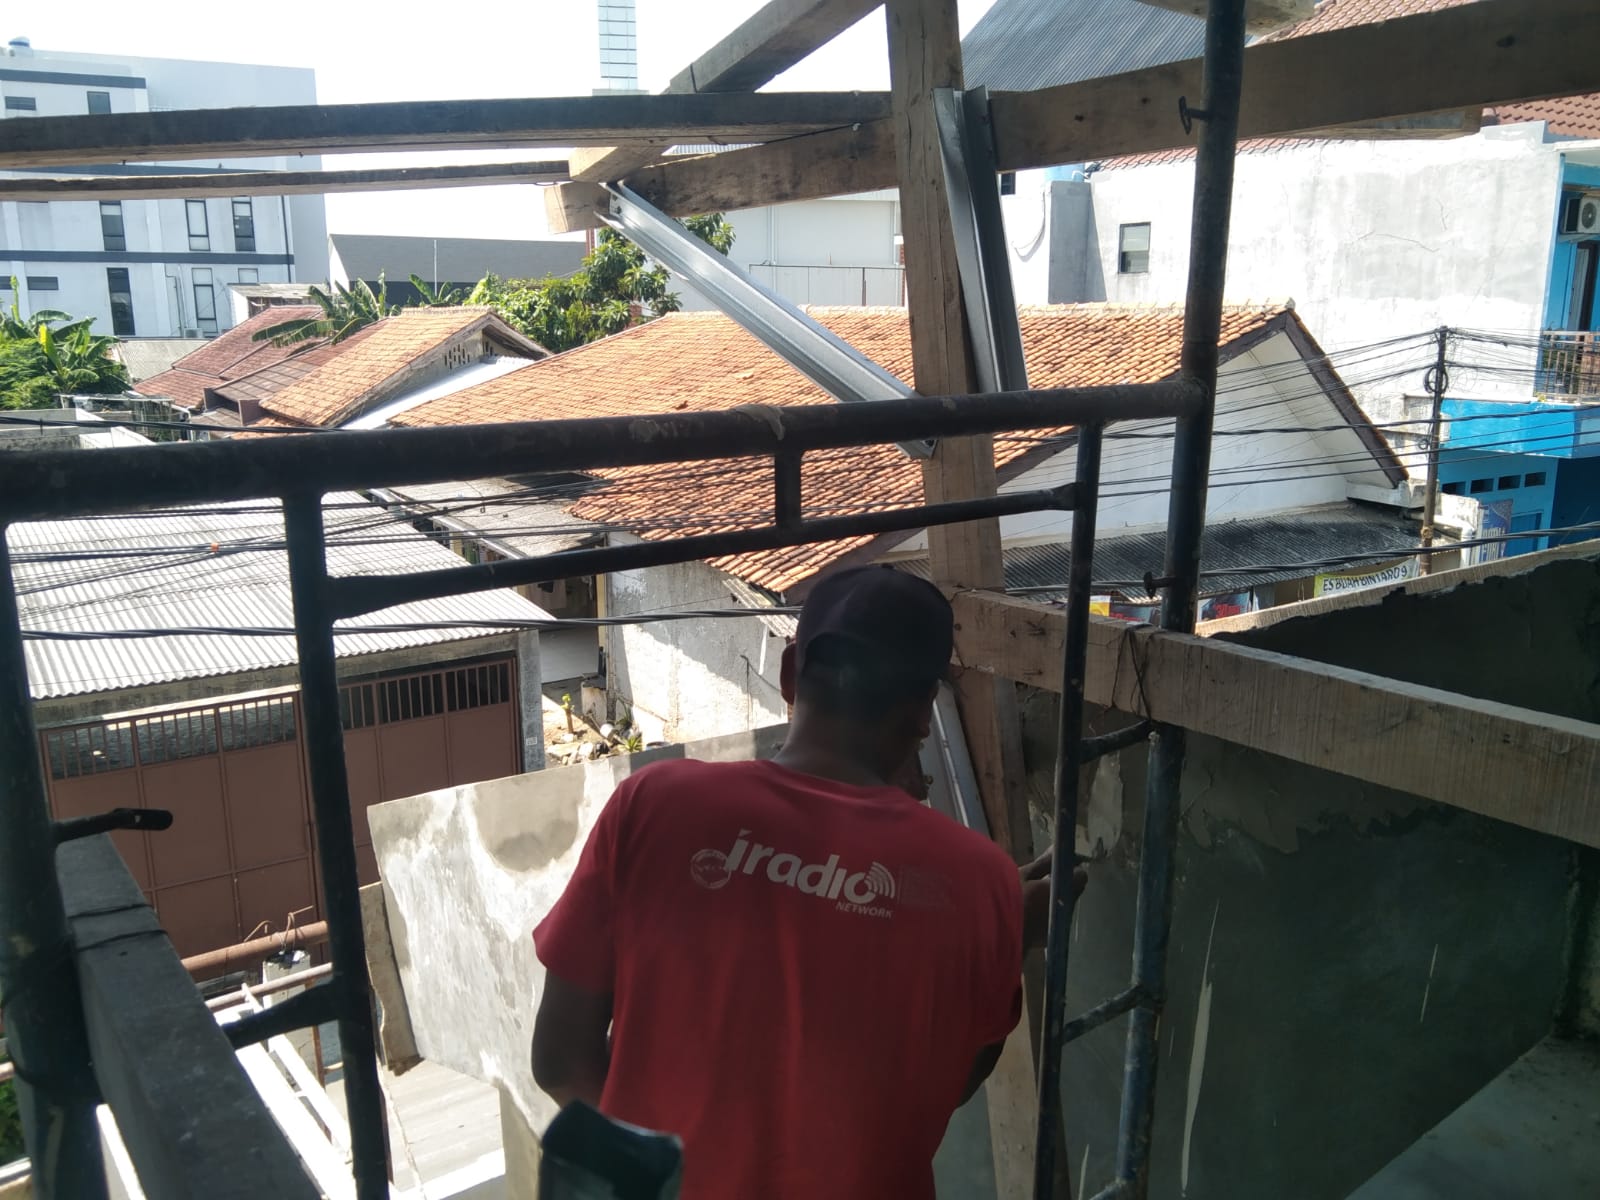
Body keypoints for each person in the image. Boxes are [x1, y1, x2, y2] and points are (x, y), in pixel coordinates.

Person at [531, 565, 1071, 1200]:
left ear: (790, 674)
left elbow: (560, 1062)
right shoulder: (979, 883)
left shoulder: (652, 804)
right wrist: (1008, 936)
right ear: (925, 710)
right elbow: (944, 1091)